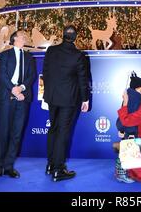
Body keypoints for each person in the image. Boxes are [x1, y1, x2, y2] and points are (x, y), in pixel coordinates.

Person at [43, 25, 90, 182]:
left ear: (63, 35)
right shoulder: (78, 55)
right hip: (68, 99)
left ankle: (50, 165)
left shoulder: (51, 51)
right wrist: (85, 99)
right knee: (63, 133)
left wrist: (47, 94)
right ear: (75, 38)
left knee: (53, 130)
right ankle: (58, 170)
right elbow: (83, 80)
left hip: (52, 98)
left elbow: (46, 73)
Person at [0, 30, 36, 178]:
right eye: (22, 36)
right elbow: (2, 75)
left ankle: (9, 166)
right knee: (4, 132)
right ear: (15, 39)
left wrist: (21, 88)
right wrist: (13, 90)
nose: (24, 37)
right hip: (7, 97)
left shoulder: (29, 57)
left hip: (23, 98)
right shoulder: (5, 55)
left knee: (16, 134)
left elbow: (31, 76)